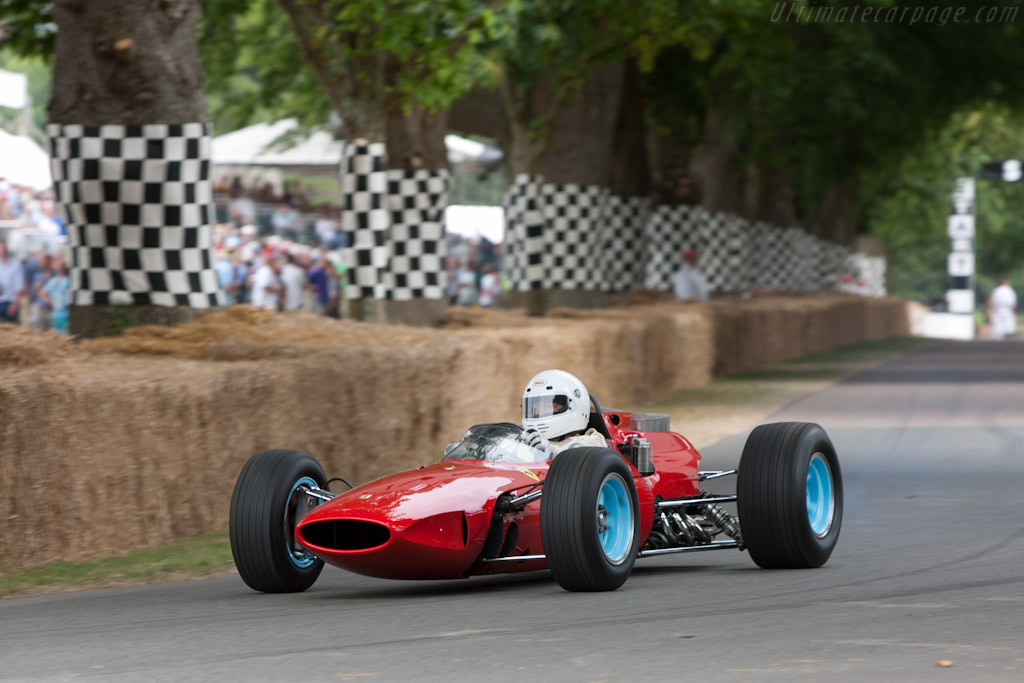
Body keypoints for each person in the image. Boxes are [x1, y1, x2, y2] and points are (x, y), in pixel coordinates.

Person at [520, 369, 608, 456]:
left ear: (574, 407)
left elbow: (580, 456)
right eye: (535, 408)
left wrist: (549, 451)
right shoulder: (522, 439)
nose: (539, 412)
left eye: (551, 407)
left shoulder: (592, 441)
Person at [0, 241, 25, 323]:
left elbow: (18, 286)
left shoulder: (16, 265)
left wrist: (15, 304)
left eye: (4, 250)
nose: (2, 252)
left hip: (10, 302)